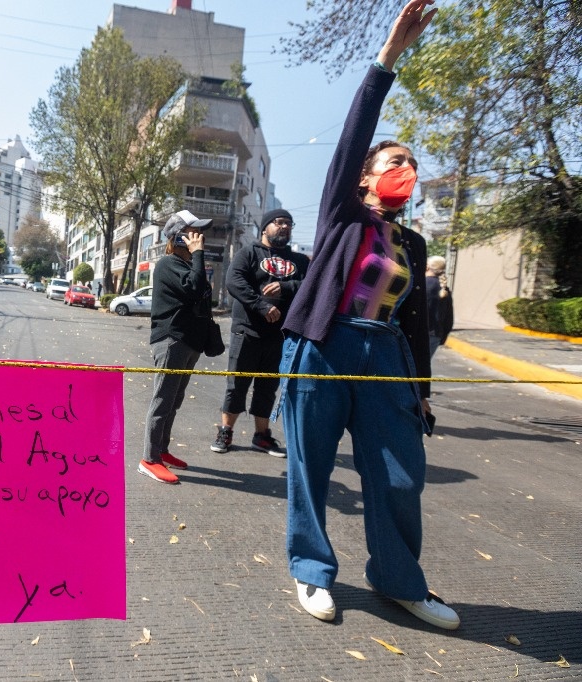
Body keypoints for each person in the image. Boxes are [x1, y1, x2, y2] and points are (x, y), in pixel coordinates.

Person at [278, 0, 459, 630]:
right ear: (362, 179)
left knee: (401, 473)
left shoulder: (412, 244)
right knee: (312, 465)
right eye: (394, 162)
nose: (406, 171)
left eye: (412, 164)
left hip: (385, 357)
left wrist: (422, 391)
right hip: (323, 347)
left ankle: (398, 580)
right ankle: (311, 570)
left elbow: (417, 327)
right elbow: (356, 132)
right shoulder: (342, 217)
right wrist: (387, 60)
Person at [211, 208, 309, 457]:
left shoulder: (299, 261)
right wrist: (261, 306)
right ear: (265, 227)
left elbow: (311, 286)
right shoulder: (249, 253)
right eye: (279, 222)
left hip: (281, 336)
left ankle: (261, 436)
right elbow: (234, 282)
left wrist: (286, 286)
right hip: (247, 331)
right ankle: (225, 431)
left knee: (268, 387)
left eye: (289, 223)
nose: (284, 227)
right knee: (237, 384)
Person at [139, 209, 213, 485]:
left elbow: (203, 297)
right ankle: (149, 458)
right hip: (171, 340)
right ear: (179, 237)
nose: (200, 236)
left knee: (175, 399)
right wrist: (198, 255)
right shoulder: (168, 264)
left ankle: (162, 449)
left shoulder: (187, 264)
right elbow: (195, 289)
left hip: (188, 341)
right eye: (194, 231)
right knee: (163, 398)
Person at [425, 255, 454, 357]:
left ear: (427, 267)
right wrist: (443, 336)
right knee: (424, 367)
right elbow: (449, 317)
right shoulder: (445, 289)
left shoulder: (421, 286)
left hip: (417, 333)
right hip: (435, 334)